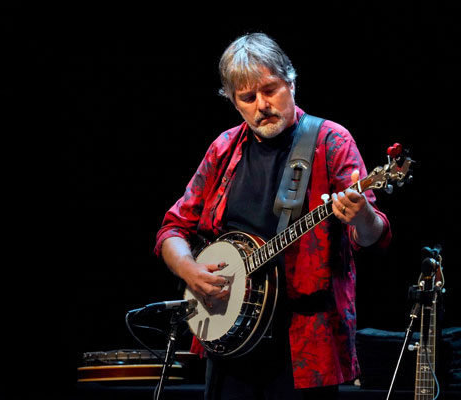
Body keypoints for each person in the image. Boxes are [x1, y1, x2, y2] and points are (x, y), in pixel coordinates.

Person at [155, 32, 392, 400]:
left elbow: (374, 236)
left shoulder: (331, 141)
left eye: (271, 90)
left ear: (292, 82)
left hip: (304, 348)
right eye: (247, 98)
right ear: (234, 103)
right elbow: (173, 229)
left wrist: (361, 216)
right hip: (228, 339)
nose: (262, 105)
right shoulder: (224, 148)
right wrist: (189, 270)